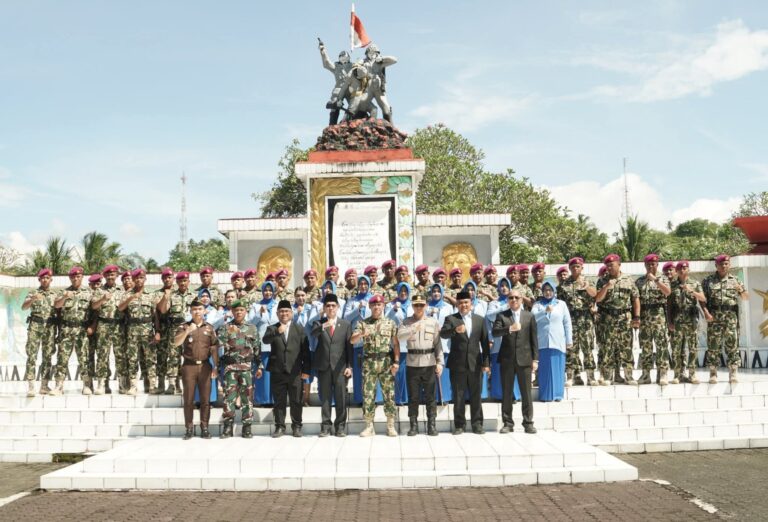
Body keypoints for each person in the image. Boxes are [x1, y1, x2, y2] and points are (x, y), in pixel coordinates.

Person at [440, 291, 490, 435]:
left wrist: (486, 363)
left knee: (476, 395)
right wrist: (455, 330)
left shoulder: (480, 320)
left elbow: (485, 343)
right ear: (457, 304)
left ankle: (477, 424)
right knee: (459, 395)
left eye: (466, 302)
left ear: (471, 304)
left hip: (476, 364)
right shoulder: (451, 319)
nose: (464, 305)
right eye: (461, 303)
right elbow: (443, 334)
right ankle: (459, 425)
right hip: (457, 364)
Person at [350, 294, 399, 437]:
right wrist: (361, 335)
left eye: (379, 304)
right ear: (370, 307)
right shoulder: (363, 323)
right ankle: (369, 426)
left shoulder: (390, 323)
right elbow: (352, 340)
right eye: (374, 305)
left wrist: (396, 362)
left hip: (386, 362)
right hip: (369, 363)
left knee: (389, 394)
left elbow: (395, 344)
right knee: (368, 395)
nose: (377, 307)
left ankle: (390, 425)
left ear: (383, 306)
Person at [492, 289, 539, 434]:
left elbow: (534, 339)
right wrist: (509, 328)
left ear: (521, 299)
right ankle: (507, 422)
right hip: (507, 359)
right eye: (511, 297)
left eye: (516, 297)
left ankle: (528, 422)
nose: (514, 300)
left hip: (525, 359)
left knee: (526, 393)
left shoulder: (529, 316)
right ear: (507, 300)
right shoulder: (502, 315)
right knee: (507, 393)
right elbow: (495, 332)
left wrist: (535, 359)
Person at [397, 293, 444, 436]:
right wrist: (413, 328)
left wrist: (440, 362)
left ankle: (432, 424)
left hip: (429, 362)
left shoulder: (432, 322)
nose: (419, 307)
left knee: (430, 396)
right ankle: (413, 425)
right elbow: (400, 337)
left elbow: (438, 344)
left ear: (426, 306)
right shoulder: (406, 321)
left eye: (421, 305)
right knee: (413, 396)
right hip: (412, 362)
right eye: (416, 305)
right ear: (412, 306)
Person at [263, 300, 311, 438]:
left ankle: (297, 426)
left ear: (292, 313)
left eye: (287, 311)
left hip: (295, 371)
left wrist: (306, 370)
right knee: (279, 401)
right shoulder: (272, 328)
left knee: (296, 400)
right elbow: (265, 340)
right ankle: (279, 426)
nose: (284, 314)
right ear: (277, 314)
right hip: (277, 371)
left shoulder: (299, 329)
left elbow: (305, 352)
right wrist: (277, 332)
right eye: (281, 311)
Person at [174, 298, 219, 439]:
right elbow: (176, 343)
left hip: (205, 366)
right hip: (189, 366)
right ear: (190, 311)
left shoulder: (209, 328)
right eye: (194, 309)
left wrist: (216, 366)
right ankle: (189, 428)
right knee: (188, 399)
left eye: (200, 309)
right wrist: (187, 331)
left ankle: (204, 427)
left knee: (205, 400)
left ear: (204, 311)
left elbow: (214, 348)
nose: (197, 312)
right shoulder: (184, 326)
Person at [217, 300, 262, 439]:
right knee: (229, 398)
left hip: (246, 368)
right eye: (236, 310)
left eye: (241, 310)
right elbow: (219, 347)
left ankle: (247, 427)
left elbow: (256, 348)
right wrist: (218, 368)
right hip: (230, 367)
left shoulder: (252, 328)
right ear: (232, 312)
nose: (239, 312)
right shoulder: (225, 328)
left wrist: (259, 366)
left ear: (245, 312)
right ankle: (227, 427)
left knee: (247, 398)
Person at [311, 294, 353, 437]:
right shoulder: (318, 323)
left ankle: (340, 426)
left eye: (333, 306)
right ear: (324, 308)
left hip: (340, 367)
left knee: (340, 397)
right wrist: (324, 325)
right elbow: (313, 334)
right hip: (324, 367)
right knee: (325, 398)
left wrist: (349, 366)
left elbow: (349, 347)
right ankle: (325, 427)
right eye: (327, 306)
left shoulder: (345, 324)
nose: (330, 308)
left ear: (338, 307)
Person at [119, 268, 166, 395]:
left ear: (145, 279)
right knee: (132, 359)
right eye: (137, 278)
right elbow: (120, 308)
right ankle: (133, 386)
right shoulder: (127, 294)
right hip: (132, 331)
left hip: (147, 331)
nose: (139, 280)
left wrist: (157, 332)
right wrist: (131, 298)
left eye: (141, 278)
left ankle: (152, 386)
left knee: (150, 359)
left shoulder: (151, 295)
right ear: (133, 280)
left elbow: (155, 315)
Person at [702, 254, 748, 384]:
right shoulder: (708, 281)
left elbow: (745, 297)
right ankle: (713, 373)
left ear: (729, 265)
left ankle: (733, 372)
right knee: (713, 345)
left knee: (732, 344)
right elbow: (702, 300)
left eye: (726, 263)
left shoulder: (736, 280)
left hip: (730, 317)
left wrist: (741, 291)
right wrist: (705, 312)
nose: (724, 266)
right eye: (721, 264)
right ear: (716, 265)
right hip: (714, 317)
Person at [596, 254, 640, 385]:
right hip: (608, 318)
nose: (609, 268)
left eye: (612, 265)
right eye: (607, 266)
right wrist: (606, 287)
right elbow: (598, 299)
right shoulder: (603, 281)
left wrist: (637, 317)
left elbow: (635, 298)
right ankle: (608, 377)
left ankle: (629, 376)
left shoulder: (629, 280)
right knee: (608, 348)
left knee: (626, 347)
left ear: (619, 264)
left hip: (625, 317)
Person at [50, 266, 93, 396]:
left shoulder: (89, 292)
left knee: (84, 358)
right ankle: (59, 386)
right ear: (69, 278)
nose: (75, 278)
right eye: (73, 276)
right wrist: (64, 297)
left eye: (78, 276)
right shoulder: (63, 291)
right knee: (62, 359)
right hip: (66, 330)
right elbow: (56, 305)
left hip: (81, 329)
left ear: (82, 277)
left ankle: (86, 385)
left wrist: (92, 326)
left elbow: (95, 311)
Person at [557, 257, 598, 386]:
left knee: (587, 348)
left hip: (585, 319)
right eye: (573, 266)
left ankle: (591, 376)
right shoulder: (564, 285)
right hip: (570, 319)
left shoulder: (588, 282)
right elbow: (560, 303)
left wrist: (586, 287)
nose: (575, 268)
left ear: (582, 267)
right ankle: (572, 376)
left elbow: (595, 295)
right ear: (569, 268)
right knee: (571, 349)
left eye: (578, 266)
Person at [531, 282, 572, 402]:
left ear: (554, 291)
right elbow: (532, 318)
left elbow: (567, 323)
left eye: (550, 290)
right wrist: (545, 312)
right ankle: (545, 395)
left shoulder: (561, 304)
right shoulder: (538, 305)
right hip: (542, 341)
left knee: (557, 368)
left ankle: (558, 394)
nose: (548, 292)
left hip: (557, 341)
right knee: (545, 369)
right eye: (545, 290)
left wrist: (569, 340)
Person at [669, 261, 708, 384]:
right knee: (676, 349)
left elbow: (703, 298)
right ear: (676, 271)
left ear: (688, 270)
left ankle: (692, 374)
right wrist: (669, 321)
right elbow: (669, 305)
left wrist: (691, 291)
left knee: (692, 348)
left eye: (684, 268)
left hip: (691, 320)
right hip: (677, 320)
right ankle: (678, 374)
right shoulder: (672, 285)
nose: (682, 270)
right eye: (679, 268)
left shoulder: (695, 283)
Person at [635, 254, 672, 385]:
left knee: (661, 345)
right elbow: (635, 299)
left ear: (657, 265)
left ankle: (662, 373)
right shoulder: (639, 281)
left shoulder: (663, 278)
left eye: (654, 264)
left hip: (658, 316)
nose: (651, 266)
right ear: (645, 265)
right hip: (645, 316)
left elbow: (667, 292)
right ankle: (646, 374)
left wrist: (656, 280)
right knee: (646, 346)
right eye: (649, 264)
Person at [22, 268, 57, 396]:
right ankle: (31, 386)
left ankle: (44, 385)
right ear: (39, 280)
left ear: (51, 280)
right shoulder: (33, 292)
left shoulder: (55, 295)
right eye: (42, 278)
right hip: (35, 326)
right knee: (32, 355)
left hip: (49, 327)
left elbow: (58, 312)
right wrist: (32, 299)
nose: (45, 280)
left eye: (47, 278)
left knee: (47, 357)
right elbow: (24, 307)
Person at [342, 275, 377, 405]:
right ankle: (360, 399)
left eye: (365, 284)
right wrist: (358, 309)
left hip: (371, 341)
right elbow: (345, 318)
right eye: (361, 284)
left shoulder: (373, 300)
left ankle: (372, 399)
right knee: (358, 371)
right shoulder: (352, 301)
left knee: (372, 371)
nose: (363, 286)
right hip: (356, 341)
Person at [160, 271, 195, 395]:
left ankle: (186, 383)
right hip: (174, 329)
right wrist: (165, 297)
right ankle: (171, 384)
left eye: (185, 281)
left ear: (188, 282)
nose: (182, 283)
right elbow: (163, 310)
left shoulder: (194, 296)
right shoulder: (172, 295)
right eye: (180, 281)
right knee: (173, 357)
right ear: (177, 282)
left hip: (190, 329)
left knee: (188, 357)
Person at [486, 278, 521, 402]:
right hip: (498, 342)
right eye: (502, 286)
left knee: (513, 370)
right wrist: (506, 307)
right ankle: (499, 395)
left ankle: (514, 395)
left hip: (513, 343)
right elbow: (489, 316)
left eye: (506, 285)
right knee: (498, 369)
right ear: (498, 288)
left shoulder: (516, 302)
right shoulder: (494, 303)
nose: (504, 288)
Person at [90, 265, 123, 395]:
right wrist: (103, 298)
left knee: (120, 355)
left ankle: (122, 383)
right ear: (104, 276)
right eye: (108, 275)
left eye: (113, 274)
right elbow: (93, 306)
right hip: (103, 325)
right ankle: (102, 384)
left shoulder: (122, 291)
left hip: (118, 326)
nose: (110, 277)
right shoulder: (99, 290)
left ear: (117, 276)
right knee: (102, 355)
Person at [248, 281, 279, 405]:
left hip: (277, 344)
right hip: (262, 344)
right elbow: (250, 322)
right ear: (262, 292)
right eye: (265, 290)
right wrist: (259, 313)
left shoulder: (278, 304)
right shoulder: (256, 306)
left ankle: (274, 399)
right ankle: (263, 399)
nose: (268, 292)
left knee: (275, 373)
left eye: (270, 290)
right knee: (263, 372)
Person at [427, 283, 454, 404]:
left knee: (444, 370)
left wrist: (443, 329)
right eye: (434, 291)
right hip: (429, 343)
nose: (436, 293)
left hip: (444, 342)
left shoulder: (448, 307)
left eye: (438, 291)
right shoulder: (427, 307)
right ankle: (432, 397)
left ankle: (445, 397)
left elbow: (451, 323)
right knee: (430, 371)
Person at [318, 40, 353, 125]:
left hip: (350, 88)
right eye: (342, 57)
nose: (344, 59)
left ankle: (348, 121)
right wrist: (323, 51)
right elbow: (326, 63)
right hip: (339, 88)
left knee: (354, 105)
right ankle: (332, 125)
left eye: (345, 58)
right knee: (334, 105)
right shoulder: (336, 66)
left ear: (348, 58)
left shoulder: (353, 66)